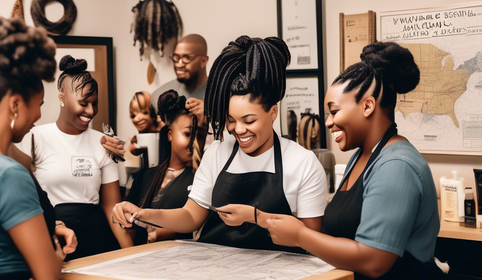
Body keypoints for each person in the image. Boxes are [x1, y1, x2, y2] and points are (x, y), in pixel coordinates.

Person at [263, 42, 453, 280]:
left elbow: (374, 260)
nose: (328, 122)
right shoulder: (361, 156)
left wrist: (299, 235)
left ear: (367, 106)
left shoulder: (396, 166)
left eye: (334, 111)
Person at [113, 35, 328, 253]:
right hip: (214, 269)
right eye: (230, 120)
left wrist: (256, 218)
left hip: (278, 277)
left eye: (249, 120)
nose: (238, 130)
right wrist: (144, 214)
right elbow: (190, 216)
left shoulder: (302, 164)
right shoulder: (218, 152)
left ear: (273, 112)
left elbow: (311, 241)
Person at [19, 55, 133, 260]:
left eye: (94, 103)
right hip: (54, 237)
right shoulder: (34, 137)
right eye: (83, 103)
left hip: (97, 238)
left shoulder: (104, 143)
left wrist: (131, 254)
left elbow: (111, 207)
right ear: (62, 98)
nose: (91, 111)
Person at [0, 16, 65, 280]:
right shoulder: (8, 175)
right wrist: (55, 256)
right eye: (38, 105)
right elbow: (45, 278)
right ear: (15, 105)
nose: (37, 116)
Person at [125, 89, 207, 245]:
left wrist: (166, 232)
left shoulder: (201, 178)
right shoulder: (146, 176)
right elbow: (128, 223)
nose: (194, 142)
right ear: (170, 135)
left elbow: (198, 224)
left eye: (200, 136)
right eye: (188, 134)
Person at [151, 34, 209, 109]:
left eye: (187, 58)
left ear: (203, 61)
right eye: (176, 57)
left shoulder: (221, 94)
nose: (179, 64)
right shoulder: (159, 96)